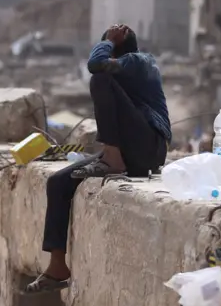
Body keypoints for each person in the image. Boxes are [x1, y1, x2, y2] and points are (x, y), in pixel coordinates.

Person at [24, 24, 171, 293]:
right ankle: (57, 266)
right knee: (57, 182)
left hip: (150, 148)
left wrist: (108, 41)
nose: (118, 29)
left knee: (99, 78)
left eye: (116, 37)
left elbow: (95, 65)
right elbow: (101, 65)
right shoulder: (121, 77)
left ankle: (112, 160)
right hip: (129, 151)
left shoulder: (140, 61)